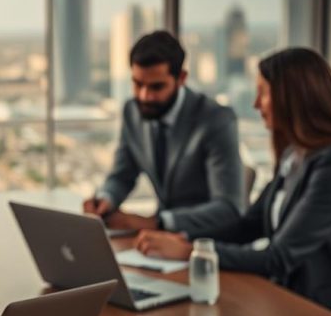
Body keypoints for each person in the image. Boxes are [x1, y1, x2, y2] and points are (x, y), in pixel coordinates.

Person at [135, 48, 331, 316]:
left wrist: (190, 251)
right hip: (293, 297)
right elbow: (248, 226)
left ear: (293, 98)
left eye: (263, 93)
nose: (255, 104)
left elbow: (279, 258)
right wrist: (181, 237)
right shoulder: (296, 153)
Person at [83, 30, 245, 237]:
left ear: (181, 78)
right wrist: (106, 199)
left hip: (207, 243)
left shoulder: (216, 119)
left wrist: (156, 222)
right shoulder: (132, 111)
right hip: (159, 243)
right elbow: (122, 174)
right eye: (137, 84)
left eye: (156, 87)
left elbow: (229, 208)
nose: (145, 96)